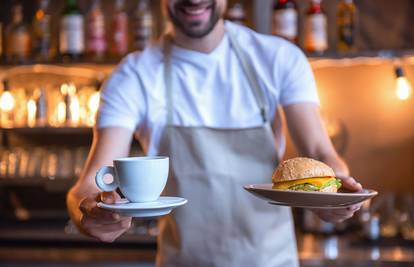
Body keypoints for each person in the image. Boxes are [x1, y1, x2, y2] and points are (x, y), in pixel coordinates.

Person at [67, 0, 363, 266]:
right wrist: (90, 215)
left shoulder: (279, 58)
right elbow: (88, 185)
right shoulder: (134, 75)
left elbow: (321, 153)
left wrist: (338, 195)